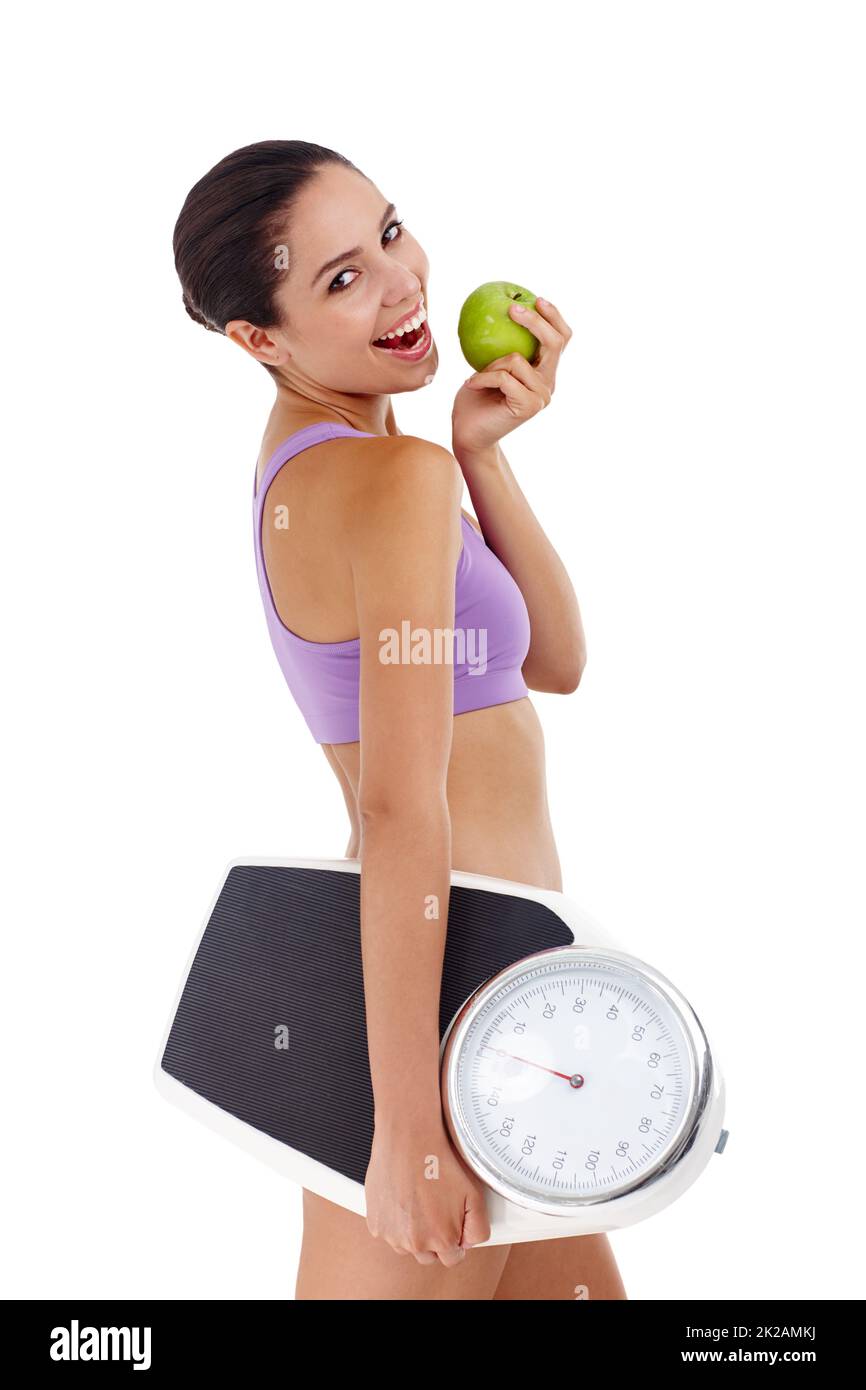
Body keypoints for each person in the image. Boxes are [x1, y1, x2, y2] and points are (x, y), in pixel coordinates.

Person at [173, 140, 627, 1301]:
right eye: (338, 279)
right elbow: (396, 800)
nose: (398, 278)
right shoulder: (381, 480)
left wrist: (479, 454)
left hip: (507, 983)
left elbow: (553, 659)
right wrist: (406, 1126)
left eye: (386, 232)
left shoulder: (383, 467)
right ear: (256, 339)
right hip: (436, 1007)